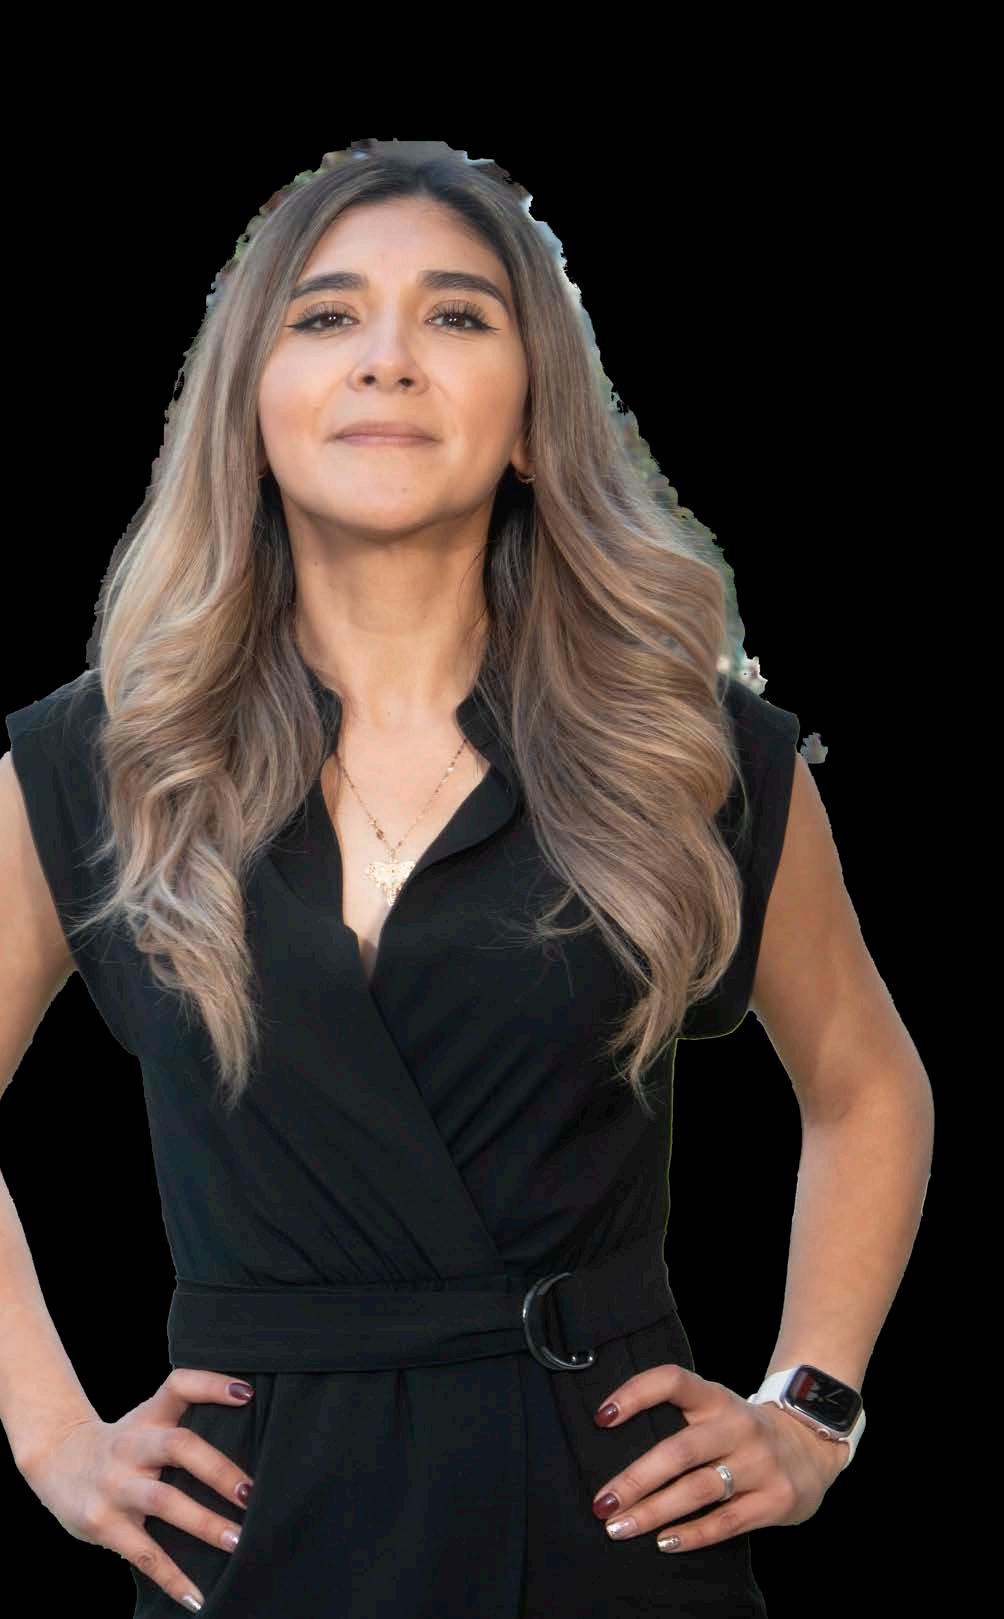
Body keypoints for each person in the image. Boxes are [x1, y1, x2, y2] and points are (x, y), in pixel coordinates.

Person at [0, 145, 928, 1617]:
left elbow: (867, 1083)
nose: (387, 357)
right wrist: (51, 1435)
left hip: (614, 1526)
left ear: (532, 413)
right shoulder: (103, 760)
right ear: (249, 404)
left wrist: (810, 1409)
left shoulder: (692, 753)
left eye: (455, 315)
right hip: (250, 1535)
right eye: (326, 317)